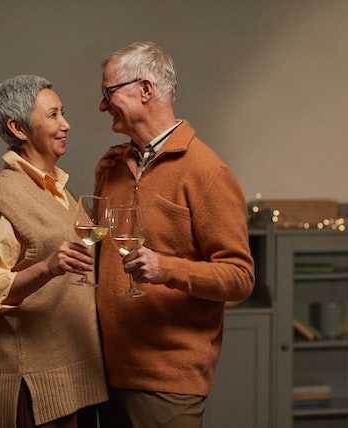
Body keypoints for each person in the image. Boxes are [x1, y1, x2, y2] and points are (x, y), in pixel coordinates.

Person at [94, 41, 255, 427]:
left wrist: (164, 268)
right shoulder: (114, 166)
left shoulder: (207, 172)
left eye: (108, 93)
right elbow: (103, 253)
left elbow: (240, 278)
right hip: (106, 373)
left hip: (167, 382)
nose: (102, 106)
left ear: (145, 89)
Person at [0, 75, 108, 428]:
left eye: (63, 113)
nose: (66, 125)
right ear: (18, 127)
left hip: (81, 377)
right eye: (53, 115)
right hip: (37, 386)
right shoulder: (2, 200)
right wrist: (48, 267)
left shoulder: (59, 189)